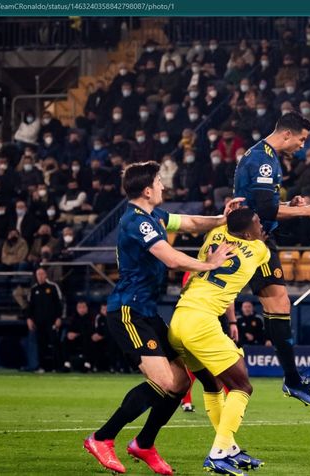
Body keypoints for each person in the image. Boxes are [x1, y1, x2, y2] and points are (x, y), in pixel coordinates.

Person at [84, 161, 239, 475]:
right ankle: (102, 438)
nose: (163, 186)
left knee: (181, 382)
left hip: (147, 311)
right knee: (165, 381)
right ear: (146, 190)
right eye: (159, 181)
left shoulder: (154, 216)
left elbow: (192, 222)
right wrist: (210, 264)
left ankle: (144, 443)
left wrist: (222, 218)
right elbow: (169, 257)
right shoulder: (137, 221)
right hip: (128, 311)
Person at [233, 112, 310, 406]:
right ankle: (291, 378)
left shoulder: (267, 156)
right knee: (275, 304)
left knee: (278, 304)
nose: (302, 145)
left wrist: (288, 204)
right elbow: (264, 210)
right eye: (301, 138)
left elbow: (266, 205)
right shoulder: (263, 159)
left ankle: (292, 378)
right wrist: (304, 211)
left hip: (258, 237)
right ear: (287, 134)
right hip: (251, 239)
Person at [168, 207, 269, 475]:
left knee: (212, 384)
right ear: (249, 233)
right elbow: (261, 238)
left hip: (178, 318)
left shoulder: (214, 234)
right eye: (257, 222)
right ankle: (219, 452)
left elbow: (228, 226)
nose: (261, 226)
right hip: (201, 322)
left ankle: (230, 448)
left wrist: (227, 216)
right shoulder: (259, 250)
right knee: (242, 386)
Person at [24, 267, 63, 372]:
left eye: (42, 274)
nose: (40, 276)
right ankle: (42, 367)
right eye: (38, 274)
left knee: (55, 343)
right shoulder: (33, 289)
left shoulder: (53, 287)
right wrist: (29, 319)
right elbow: (30, 307)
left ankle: (57, 367)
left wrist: (59, 318)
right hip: (38, 322)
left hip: (51, 321)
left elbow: (59, 304)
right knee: (41, 345)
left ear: (46, 275)